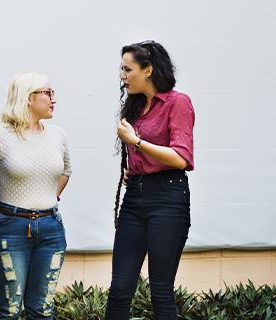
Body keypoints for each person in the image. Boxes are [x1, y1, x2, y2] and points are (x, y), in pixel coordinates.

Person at [106, 40, 195, 320]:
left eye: (127, 69)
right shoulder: (134, 106)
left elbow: (182, 158)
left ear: (147, 71)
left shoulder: (177, 103)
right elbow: (144, 153)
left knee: (161, 291)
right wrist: (135, 166)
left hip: (168, 198)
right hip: (135, 197)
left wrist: (137, 142)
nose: (122, 75)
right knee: (119, 288)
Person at [0, 72, 71, 319]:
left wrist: (48, 200)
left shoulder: (58, 135)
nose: (54, 99)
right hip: (10, 228)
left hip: (51, 228)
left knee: (43, 311)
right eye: (48, 93)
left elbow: (66, 170)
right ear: (27, 98)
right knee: (7, 310)